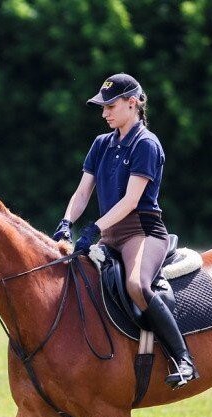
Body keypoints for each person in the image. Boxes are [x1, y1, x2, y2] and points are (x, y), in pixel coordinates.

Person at [52, 73, 197, 388]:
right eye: (102, 108)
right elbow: (82, 193)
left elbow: (132, 200)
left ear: (133, 103)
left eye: (110, 106)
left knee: (137, 285)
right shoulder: (101, 143)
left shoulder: (146, 143)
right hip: (109, 234)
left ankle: (183, 359)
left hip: (142, 232)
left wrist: (93, 228)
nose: (104, 113)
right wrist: (66, 222)